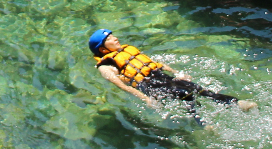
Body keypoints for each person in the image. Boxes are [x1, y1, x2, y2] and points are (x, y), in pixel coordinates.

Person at [88, 29, 256, 115]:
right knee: (185, 94)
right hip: (147, 84)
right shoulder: (105, 65)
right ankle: (203, 125)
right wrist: (145, 98)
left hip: (159, 75)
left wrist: (176, 73)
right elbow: (121, 85)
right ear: (102, 49)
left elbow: (155, 63)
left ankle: (237, 103)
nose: (115, 38)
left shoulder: (128, 50)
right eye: (108, 39)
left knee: (197, 88)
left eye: (112, 35)